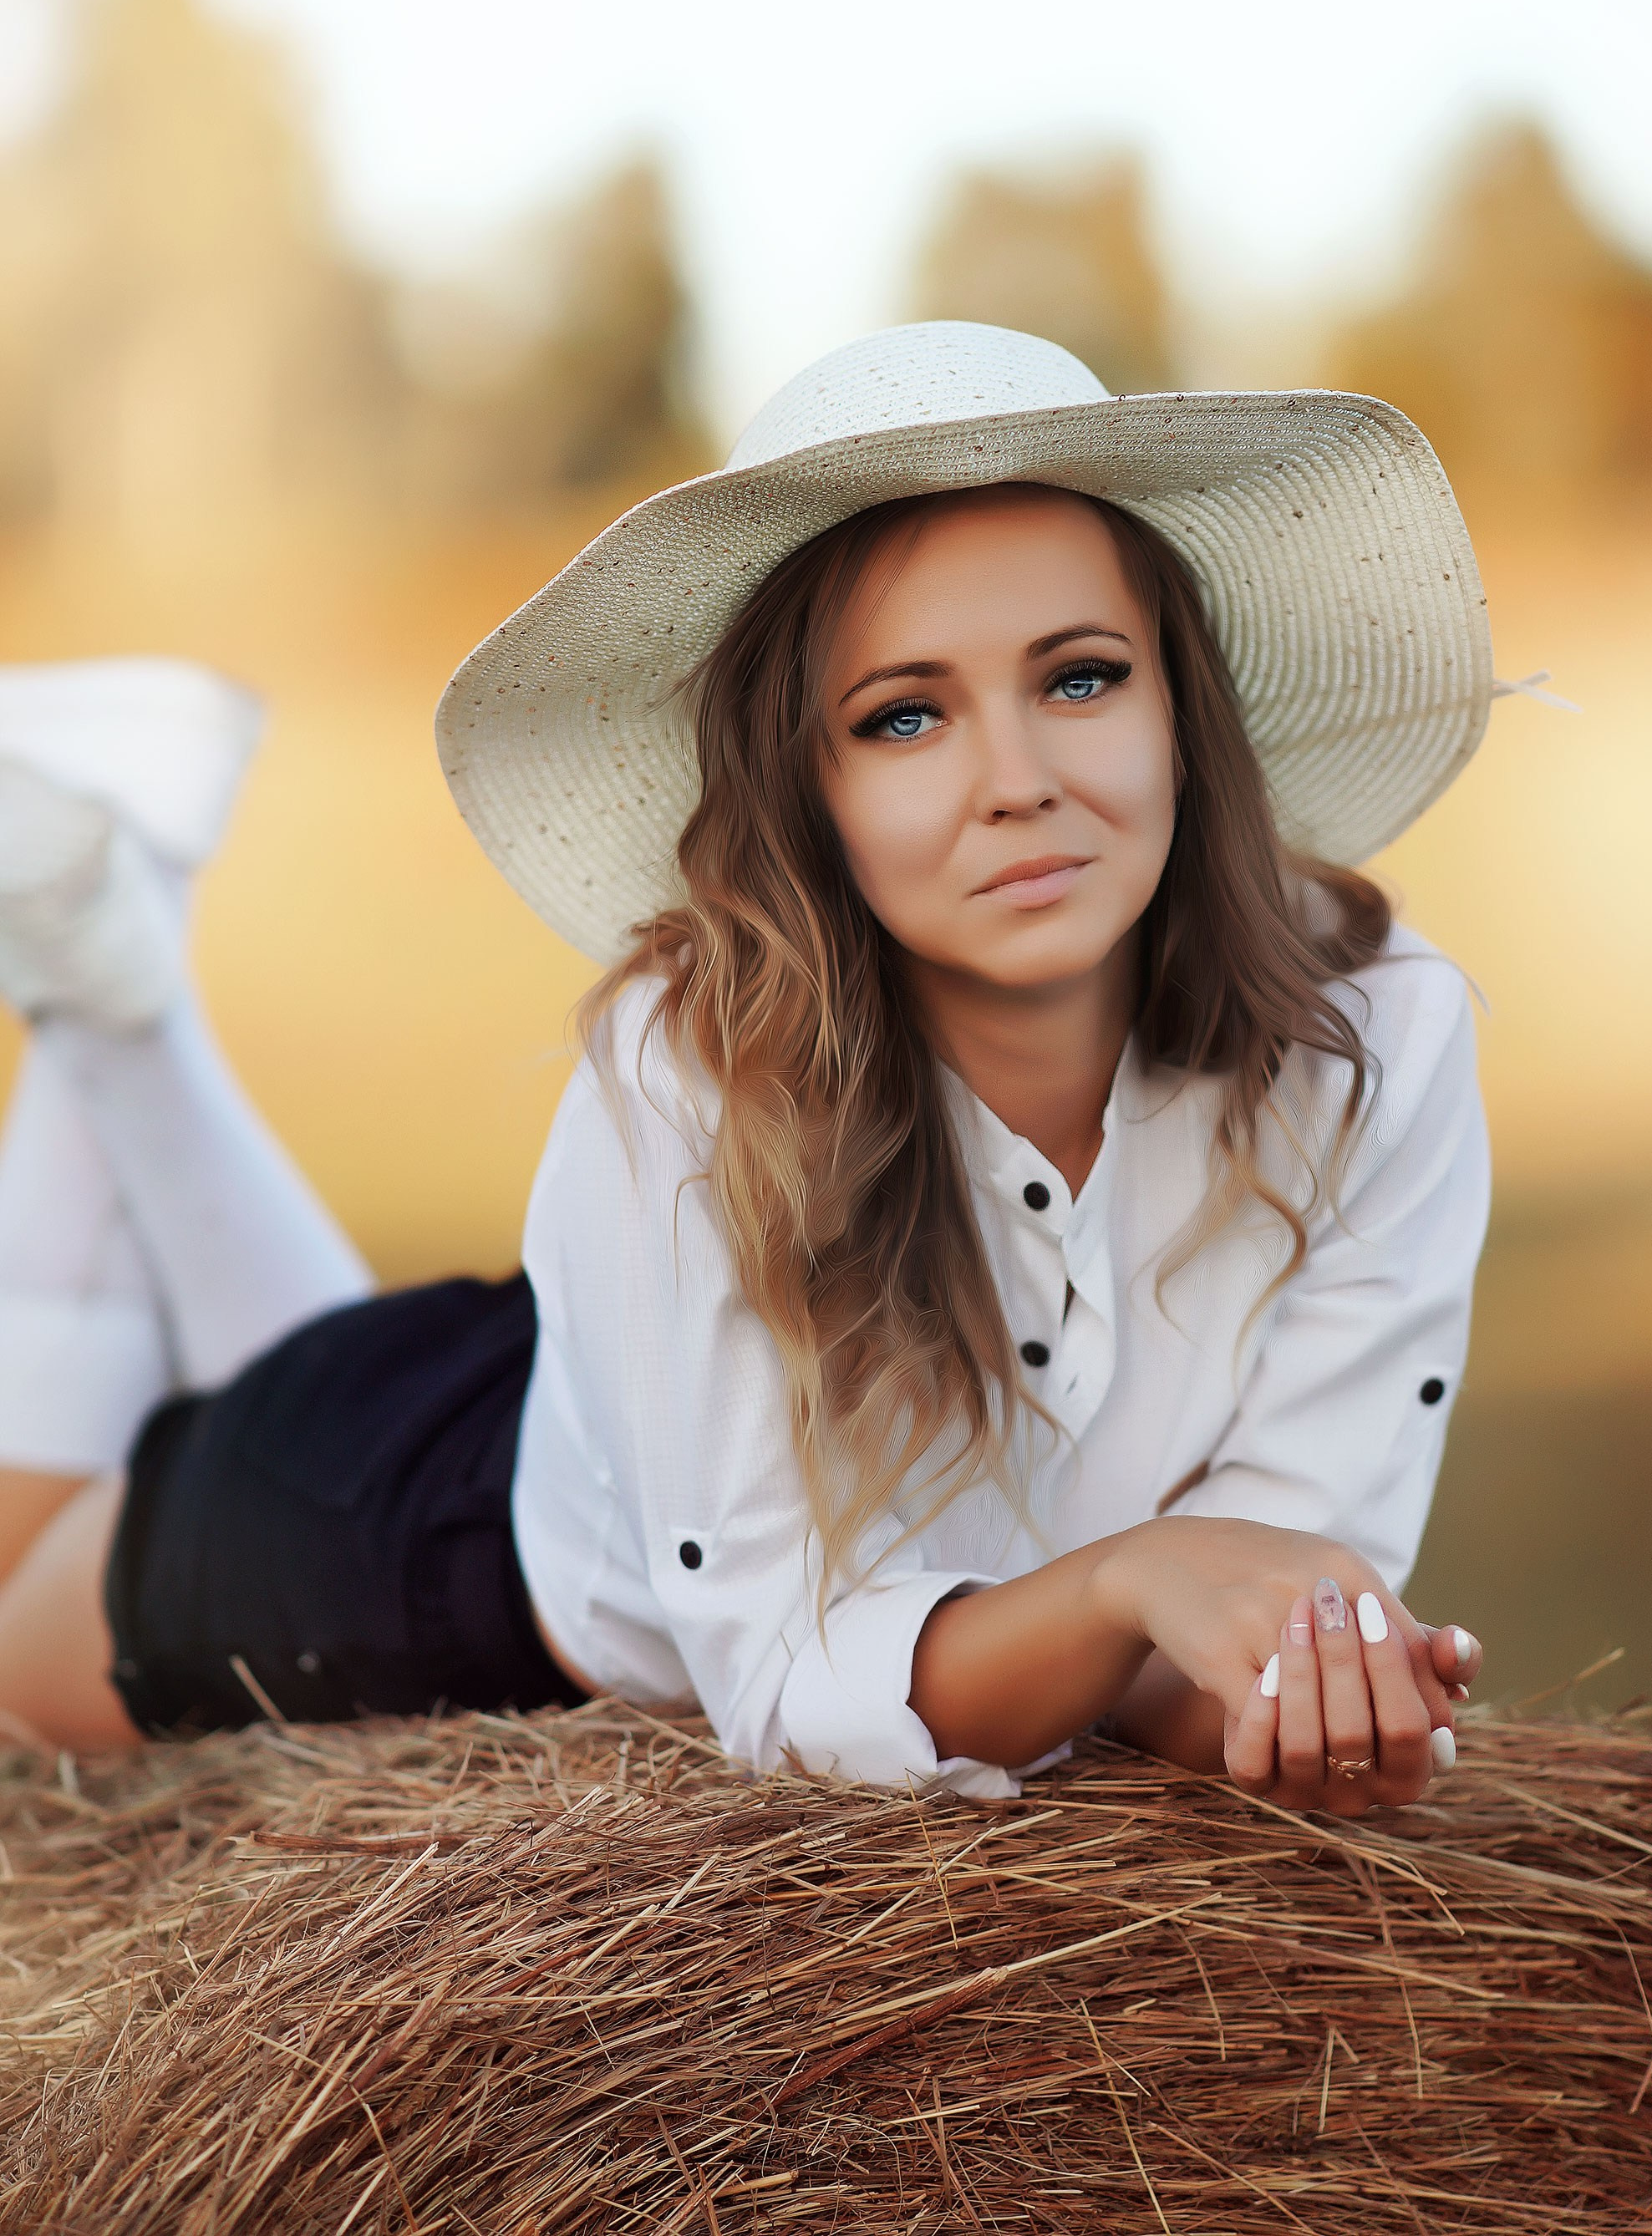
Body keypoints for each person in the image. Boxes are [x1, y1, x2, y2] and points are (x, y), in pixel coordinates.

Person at [0, 322, 1490, 1809]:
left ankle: (104, 948)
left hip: (610, 1394)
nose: (1021, 779)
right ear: (804, 784)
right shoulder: (685, 1073)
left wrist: (1300, 1685)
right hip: (440, 1568)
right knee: (14, 1646)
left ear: (1183, 708)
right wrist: (1135, 1584)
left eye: (1083, 678)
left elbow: (1254, 1629)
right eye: (905, 716)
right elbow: (786, 1690)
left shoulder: (1381, 1041)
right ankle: (97, 962)